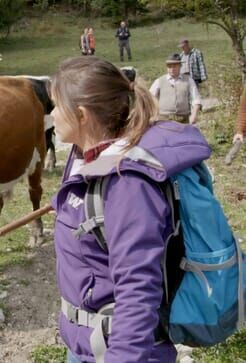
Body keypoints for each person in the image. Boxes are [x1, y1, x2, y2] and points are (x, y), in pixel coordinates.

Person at [50, 56, 210, 363]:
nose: (52, 114)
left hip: (119, 350)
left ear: (81, 115)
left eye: (57, 105)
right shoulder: (88, 155)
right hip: (87, 343)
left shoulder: (127, 186)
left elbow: (137, 293)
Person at [149, 53, 202, 124]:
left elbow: (196, 99)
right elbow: (149, 98)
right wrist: (153, 114)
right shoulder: (159, 81)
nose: (172, 69)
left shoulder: (188, 80)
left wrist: (194, 115)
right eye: (169, 66)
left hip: (183, 120)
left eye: (175, 66)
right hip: (163, 120)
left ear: (180, 66)